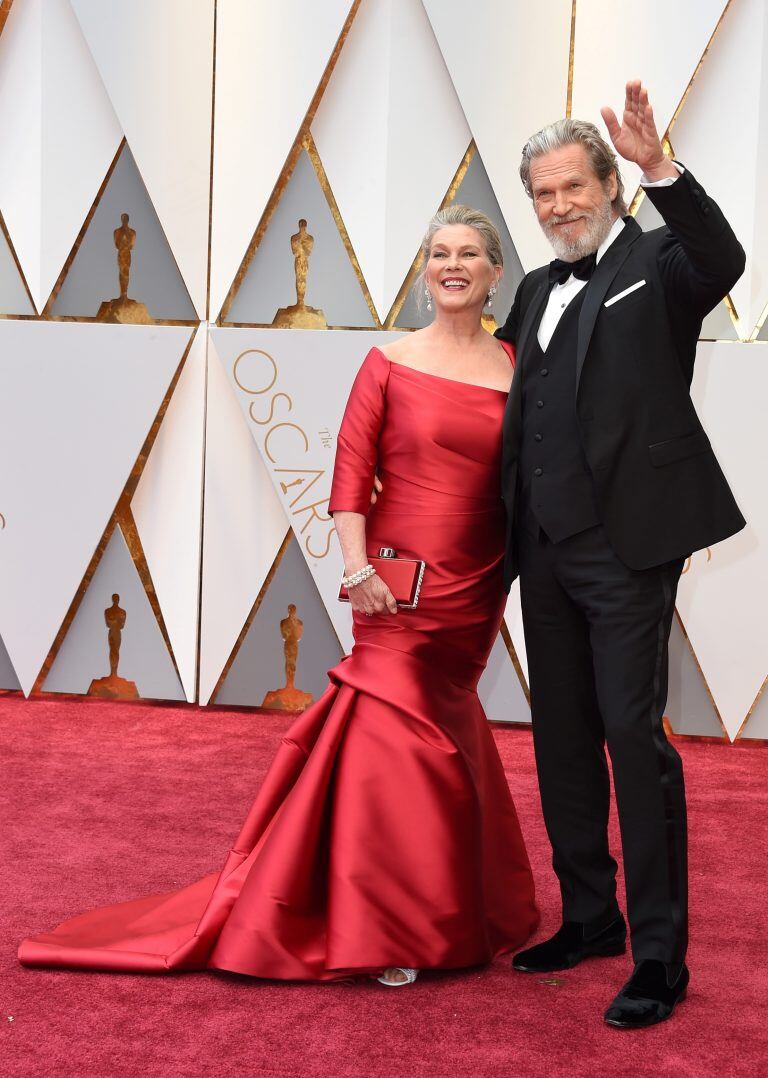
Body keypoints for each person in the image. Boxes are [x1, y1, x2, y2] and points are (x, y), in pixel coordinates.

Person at [19, 205, 538, 987]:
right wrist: (357, 569)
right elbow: (348, 481)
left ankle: (441, 906)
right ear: (425, 271)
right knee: (395, 740)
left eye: (469, 254)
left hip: (477, 585)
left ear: (497, 272)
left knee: (447, 728)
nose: (452, 266)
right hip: (397, 578)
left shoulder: (517, 366)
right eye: (439, 254)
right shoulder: (388, 361)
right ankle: (385, 924)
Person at [495, 80, 745, 1028]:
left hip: (629, 550)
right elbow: (515, 411)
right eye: (543, 194)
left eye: (573, 186)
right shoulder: (529, 289)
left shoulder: (660, 264)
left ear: (608, 184)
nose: (559, 205)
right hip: (544, 551)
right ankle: (590, 918)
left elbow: (724, 256)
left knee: (633, 746)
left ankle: (660, 955)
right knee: (561, 741)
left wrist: (661, 167)